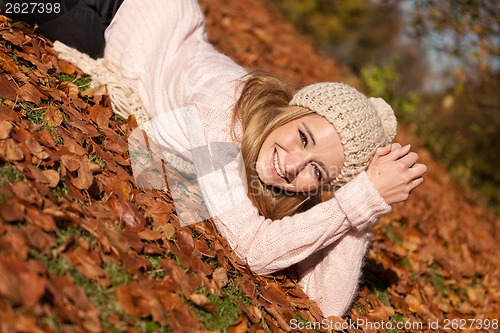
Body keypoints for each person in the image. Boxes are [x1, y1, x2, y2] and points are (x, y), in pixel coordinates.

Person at [35, 0, 425, 317]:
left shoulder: (287, 180)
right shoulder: (225, 113)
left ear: (326, 185)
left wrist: (364, 200)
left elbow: (325, 305)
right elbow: (252, 248)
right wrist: (363, 197)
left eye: (317, 170)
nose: (292, 165)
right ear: (292, 110)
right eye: (302, 136)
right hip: (120, 15)